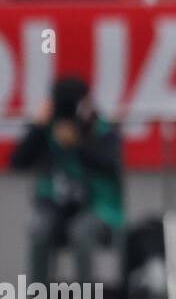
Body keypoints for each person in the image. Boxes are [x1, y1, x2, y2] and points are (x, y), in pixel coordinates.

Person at [11, 76, 123, 287]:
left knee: (81, 231)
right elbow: (18, 162)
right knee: (38, 228)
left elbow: (109, 164)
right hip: (55, 209)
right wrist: (38, 127)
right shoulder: (48, 130)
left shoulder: (102, 130)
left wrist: (78, 144)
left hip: (97, 209)